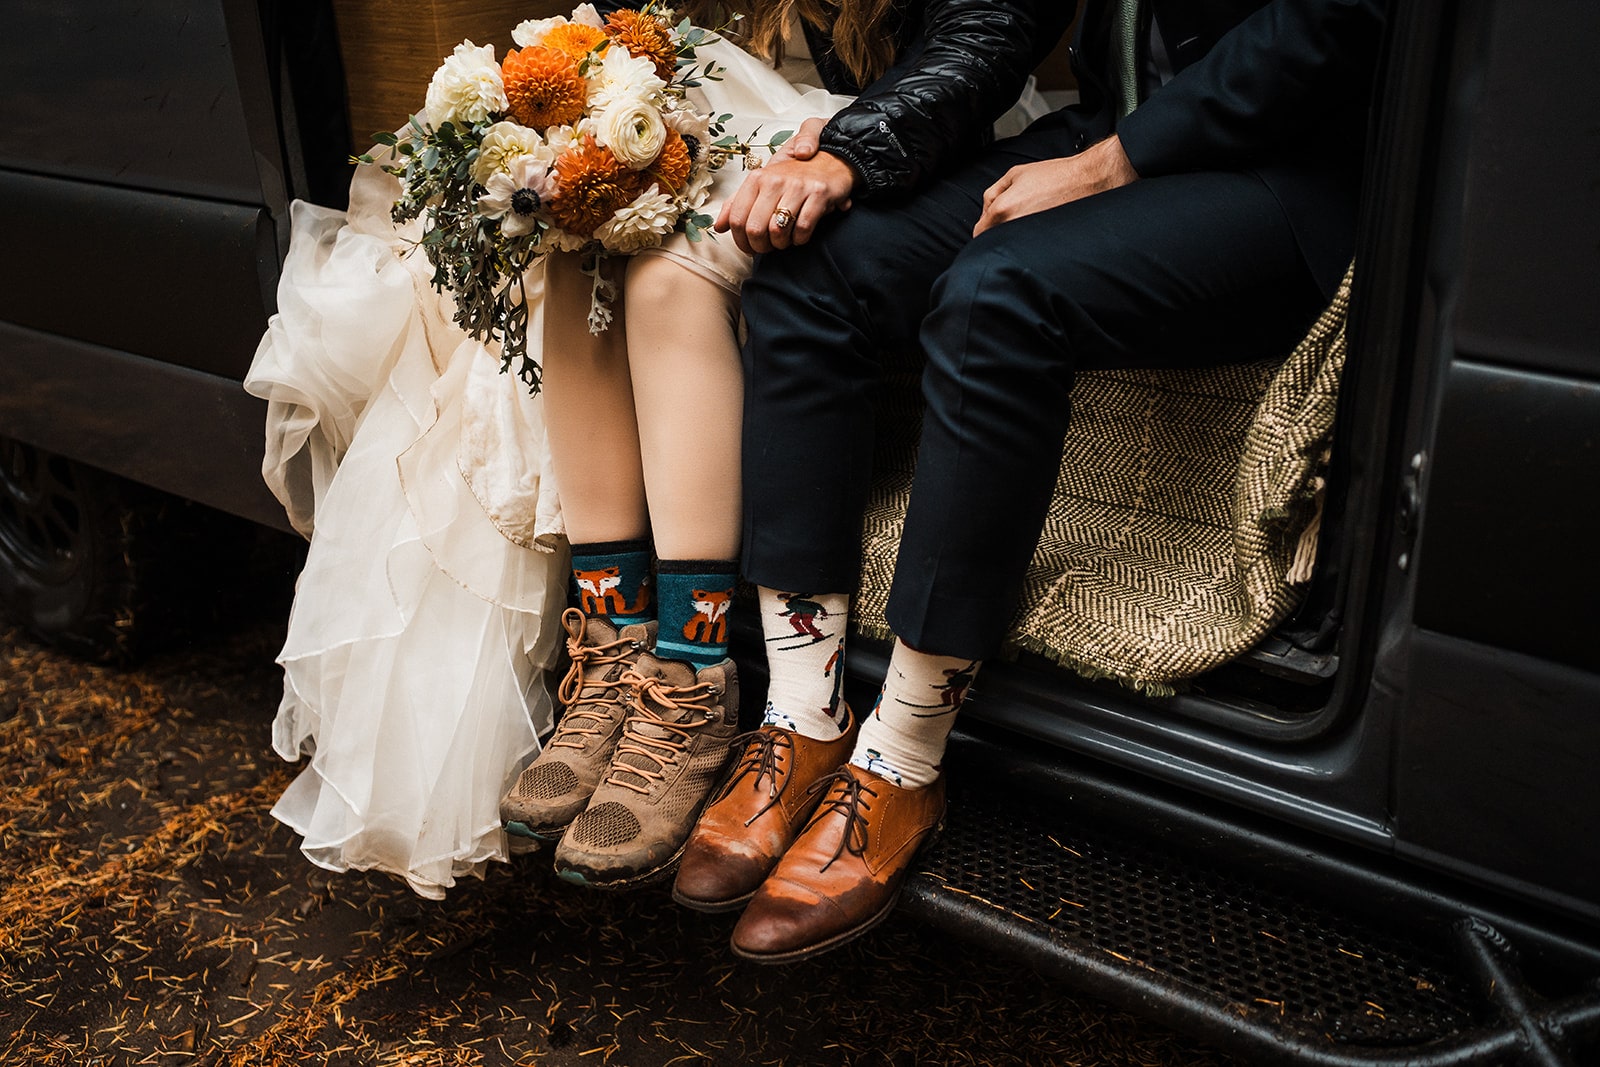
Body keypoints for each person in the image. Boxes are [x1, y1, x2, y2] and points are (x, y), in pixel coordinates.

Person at [246, 0, 1063, 898]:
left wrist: (839, 151)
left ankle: (691, 672)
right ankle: (614, 638)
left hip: (905, 133)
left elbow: (983, 36)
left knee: (671, 272)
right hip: (732, 105)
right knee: (571, 232)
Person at [668, 0, 1386, 961]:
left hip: (1280, 168)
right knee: (813, 267)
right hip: (1108, 127)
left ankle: (904, 758)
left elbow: (1332, 22)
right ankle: (802, 716)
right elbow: (996, 17)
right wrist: (854, 145)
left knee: (996, 293)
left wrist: (1110, 164)